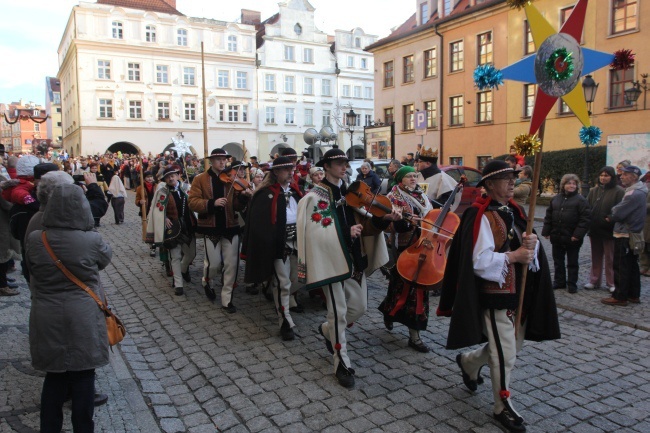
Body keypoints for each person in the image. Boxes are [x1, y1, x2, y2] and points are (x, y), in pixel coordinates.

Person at [438, 159, 560, 433]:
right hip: (495, 296)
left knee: (512, 348)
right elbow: (478, 261)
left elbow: (528, 252)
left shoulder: (515, 210)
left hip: (520, 294)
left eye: (513, 178)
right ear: (490, 184)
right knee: (505, 355)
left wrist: (531, 244)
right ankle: (502, 405)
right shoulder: (480, 215)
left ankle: (469, 362)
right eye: (506, 179)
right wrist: (515, 255)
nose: (512, 183)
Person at [297, 148, 399, 388]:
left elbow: (366, 221)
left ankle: (327, 330)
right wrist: (345, 232)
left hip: (354, 260)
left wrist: (384, 219)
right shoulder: (315, 197)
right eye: (339, 163)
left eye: (345, 163)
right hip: (331, 263)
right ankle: (341, 363)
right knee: (339, 313)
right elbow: (314, 234)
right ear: (327, 166)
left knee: (359, 308)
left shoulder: (350, 193)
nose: (344, 167)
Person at [26, 183, 112, 433]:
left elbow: (31, 268)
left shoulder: (35, 239)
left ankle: (49, 428)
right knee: (84, 376)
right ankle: (83, 429)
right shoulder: (92, 239)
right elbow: (105, 260)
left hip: (46, 313)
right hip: (82, 315)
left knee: (54, 376)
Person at [242, 157, 304, 341]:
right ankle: (284, 321)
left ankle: (275, 290)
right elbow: (259, 225)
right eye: (286, 169)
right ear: (276, 172)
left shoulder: (295, 192)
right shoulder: (265, 194)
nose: (291, 172)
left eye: (292, 169)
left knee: (298, 279)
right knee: (283, 283)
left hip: (298, 243)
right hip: (278, 245)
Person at [378, 166, 434, 352]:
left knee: (418, 289)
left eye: (414, 176)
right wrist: (403, 224)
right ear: (400, 180)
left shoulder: (422, 196)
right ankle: (392, 314)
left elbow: (431, 217)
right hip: (405, 248)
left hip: (424, 247)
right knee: (402, 287)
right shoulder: (392, 198)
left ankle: (413, 333)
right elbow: (386, 226)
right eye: (409, 176)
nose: (413, 179)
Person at [188, 149, 250, 311]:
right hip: (211, 228)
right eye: (218, 160)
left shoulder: (232, 179)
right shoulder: (200, 179)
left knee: (232, 264)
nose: (222, 162)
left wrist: (243, 198)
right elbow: (192, 202)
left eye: (224, 159)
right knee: (214, 264)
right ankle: (207, 280)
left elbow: (237, 205)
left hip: (231, 227)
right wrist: (211, 204)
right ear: (211, 161)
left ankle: (227, 298)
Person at [146, 165, 197, 296]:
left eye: (173, 175)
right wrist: (164, 218)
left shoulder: (187, 188)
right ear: (165, 179)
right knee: (175, 256)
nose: (171, 178)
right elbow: (157, 209)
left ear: (178, 175)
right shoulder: (162, 192)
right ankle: (178, 283)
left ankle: (184, 269)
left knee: (191, 254)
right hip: (173, 229)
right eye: (168, 176)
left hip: (188, 226)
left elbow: (195, 204)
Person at [601, 165, 647, 306]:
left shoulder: (634, 193)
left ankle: (620, 296)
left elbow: (618, 211)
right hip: (632, 232)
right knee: (632, 266)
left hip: (625, 233)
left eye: (625, 174)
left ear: (633, 177)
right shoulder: (638, 191)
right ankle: (633, 294)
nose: (621, 176)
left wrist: (611, 214)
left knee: (621, 266)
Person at [542, 174, 591, 293]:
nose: (571, 186)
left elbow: (585, 219)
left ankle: (572, 284)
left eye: (574, 184)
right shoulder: (556, 199)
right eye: (569, 183)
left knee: (572, 262)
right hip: (557, 235)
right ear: (564, 185)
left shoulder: (581, 200)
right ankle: (559, 281)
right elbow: (549, 216)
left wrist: (577, 235)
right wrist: (546, 231)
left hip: (572, 237)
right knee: (558, 261)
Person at [585, 167, 625, 291]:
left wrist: (610, 218)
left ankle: (611, 282)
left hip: (609, 229)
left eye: (606, 175)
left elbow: (621, 209)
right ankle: (594, 280)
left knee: (610, 258)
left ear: (612, 177)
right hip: (595, 228)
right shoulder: (594, 190)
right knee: (595, 256)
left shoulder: (619, 191)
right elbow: (587, 206)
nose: (603, 178)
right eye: (601, 175)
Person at [415, 147, 460, 212]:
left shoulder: (443, 178)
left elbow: (446, 201)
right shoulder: (418, 176)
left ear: (428, 163)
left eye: (419, 161)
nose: (417, 164)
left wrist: (426, 204)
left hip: (434, 215)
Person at [136, 171, 158, 257]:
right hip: (145, 211)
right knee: (149, 230)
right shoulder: (140, 188)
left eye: (151, 176)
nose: (150, 178)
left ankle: (157, 243)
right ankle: (152, 246)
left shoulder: (157, 186)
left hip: (156, 210)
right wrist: (140, 202)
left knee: (156, 228)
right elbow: (137, 200)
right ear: (144, 178)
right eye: (148, 177)